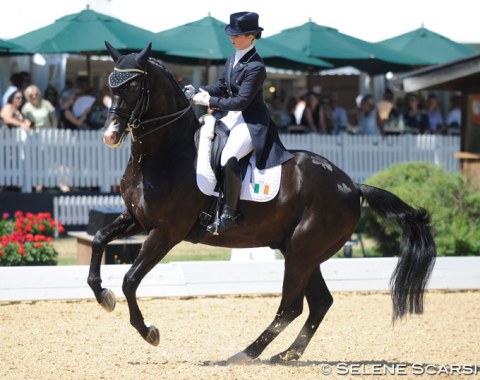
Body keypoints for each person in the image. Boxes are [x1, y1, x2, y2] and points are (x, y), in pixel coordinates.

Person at [186, 11, 293, 234]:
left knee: (228, 156)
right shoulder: (233, 58)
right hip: (231, 118)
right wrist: (200, 90)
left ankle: (229, 214)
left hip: (250, 122)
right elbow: (222, 84)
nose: (232, 38)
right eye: (231, 34)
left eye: (237, 35)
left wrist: (210, 101)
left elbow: (241, 101)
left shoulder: (256, 67)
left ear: (252, 36)